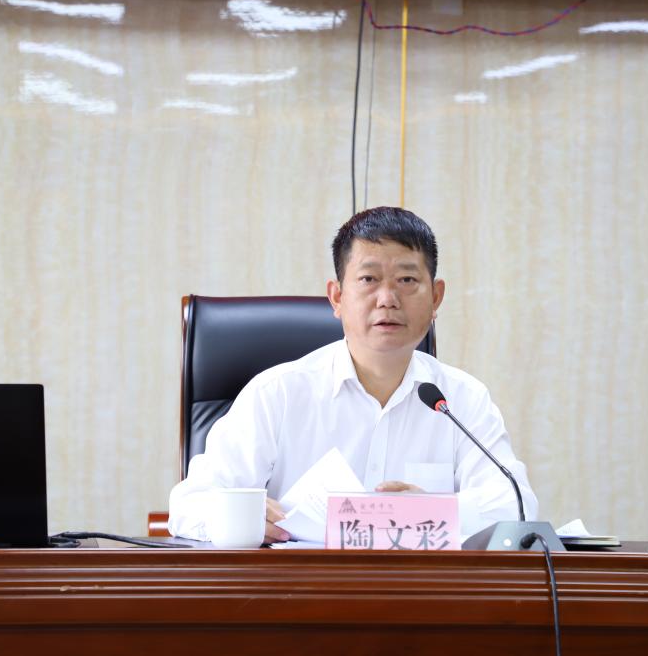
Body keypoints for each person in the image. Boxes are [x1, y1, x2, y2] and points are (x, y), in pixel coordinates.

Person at [169, 206, 538, 543]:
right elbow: (189, 505)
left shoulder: (461, 400)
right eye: (368, 279)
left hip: (419, 589)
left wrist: (432, 512)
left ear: (436, 298)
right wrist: (237, 515)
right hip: (297, 589)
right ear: (336, 297)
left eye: (407, 280)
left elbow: (516, 506)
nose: (387, 298)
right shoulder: (277, 393)